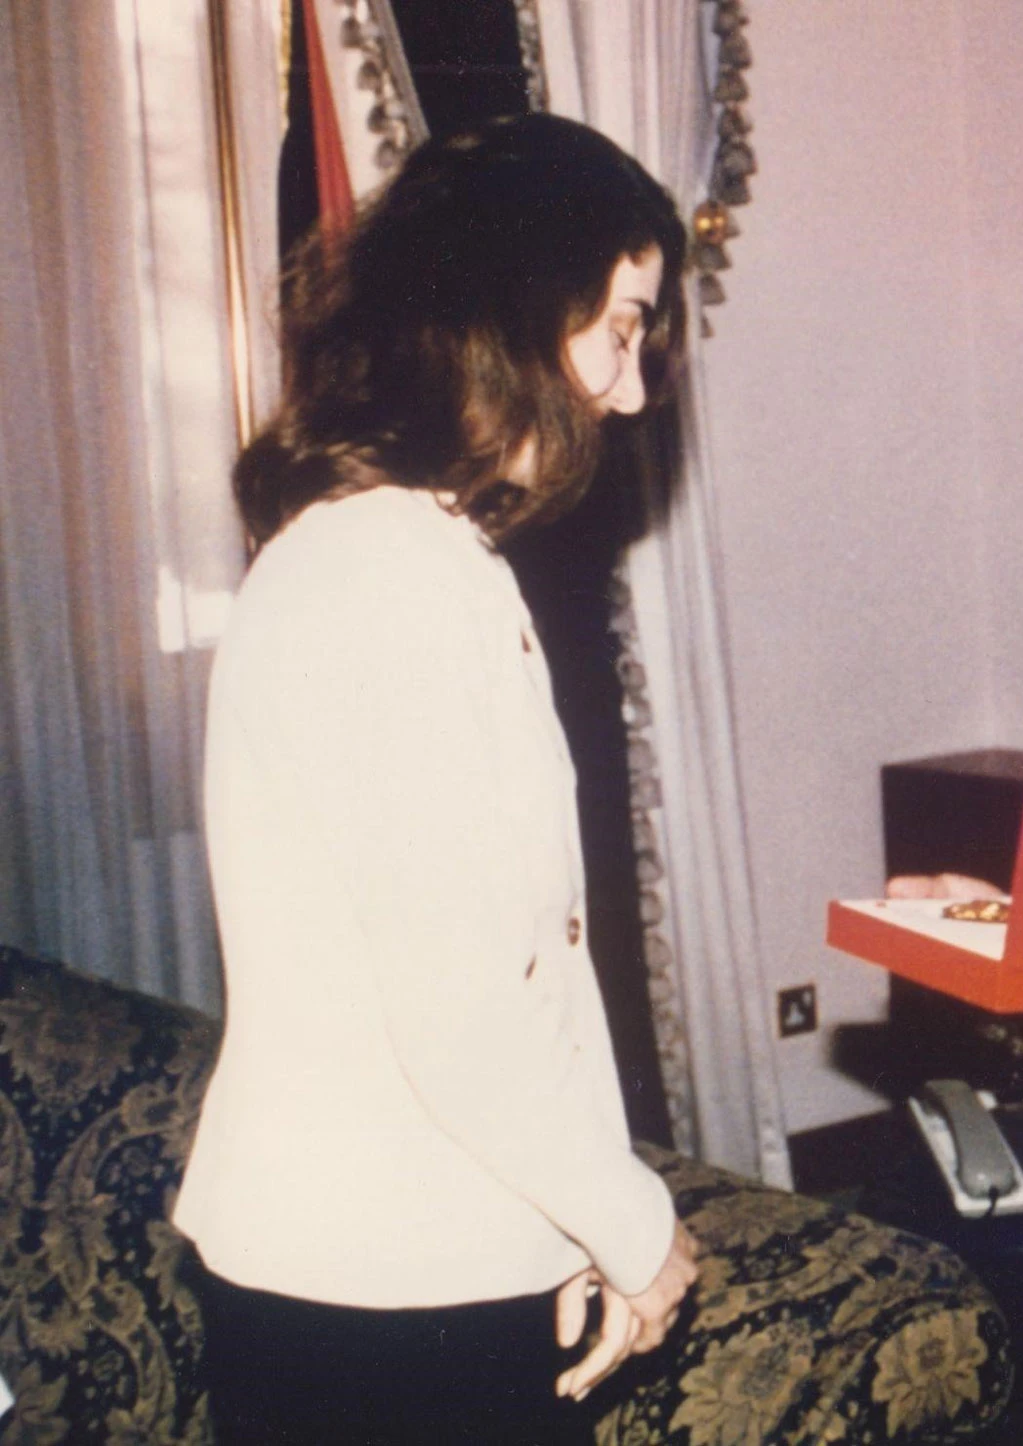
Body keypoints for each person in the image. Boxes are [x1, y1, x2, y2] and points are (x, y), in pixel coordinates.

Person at [174, 113, 700, 1444]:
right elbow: (463, 1013)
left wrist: (568, 1221)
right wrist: (638, 1230)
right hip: (376, 1291)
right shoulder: (384, 582)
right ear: (516, 313)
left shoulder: (412, 560)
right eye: (622, 329)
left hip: (418, 1253)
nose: (630, 393)